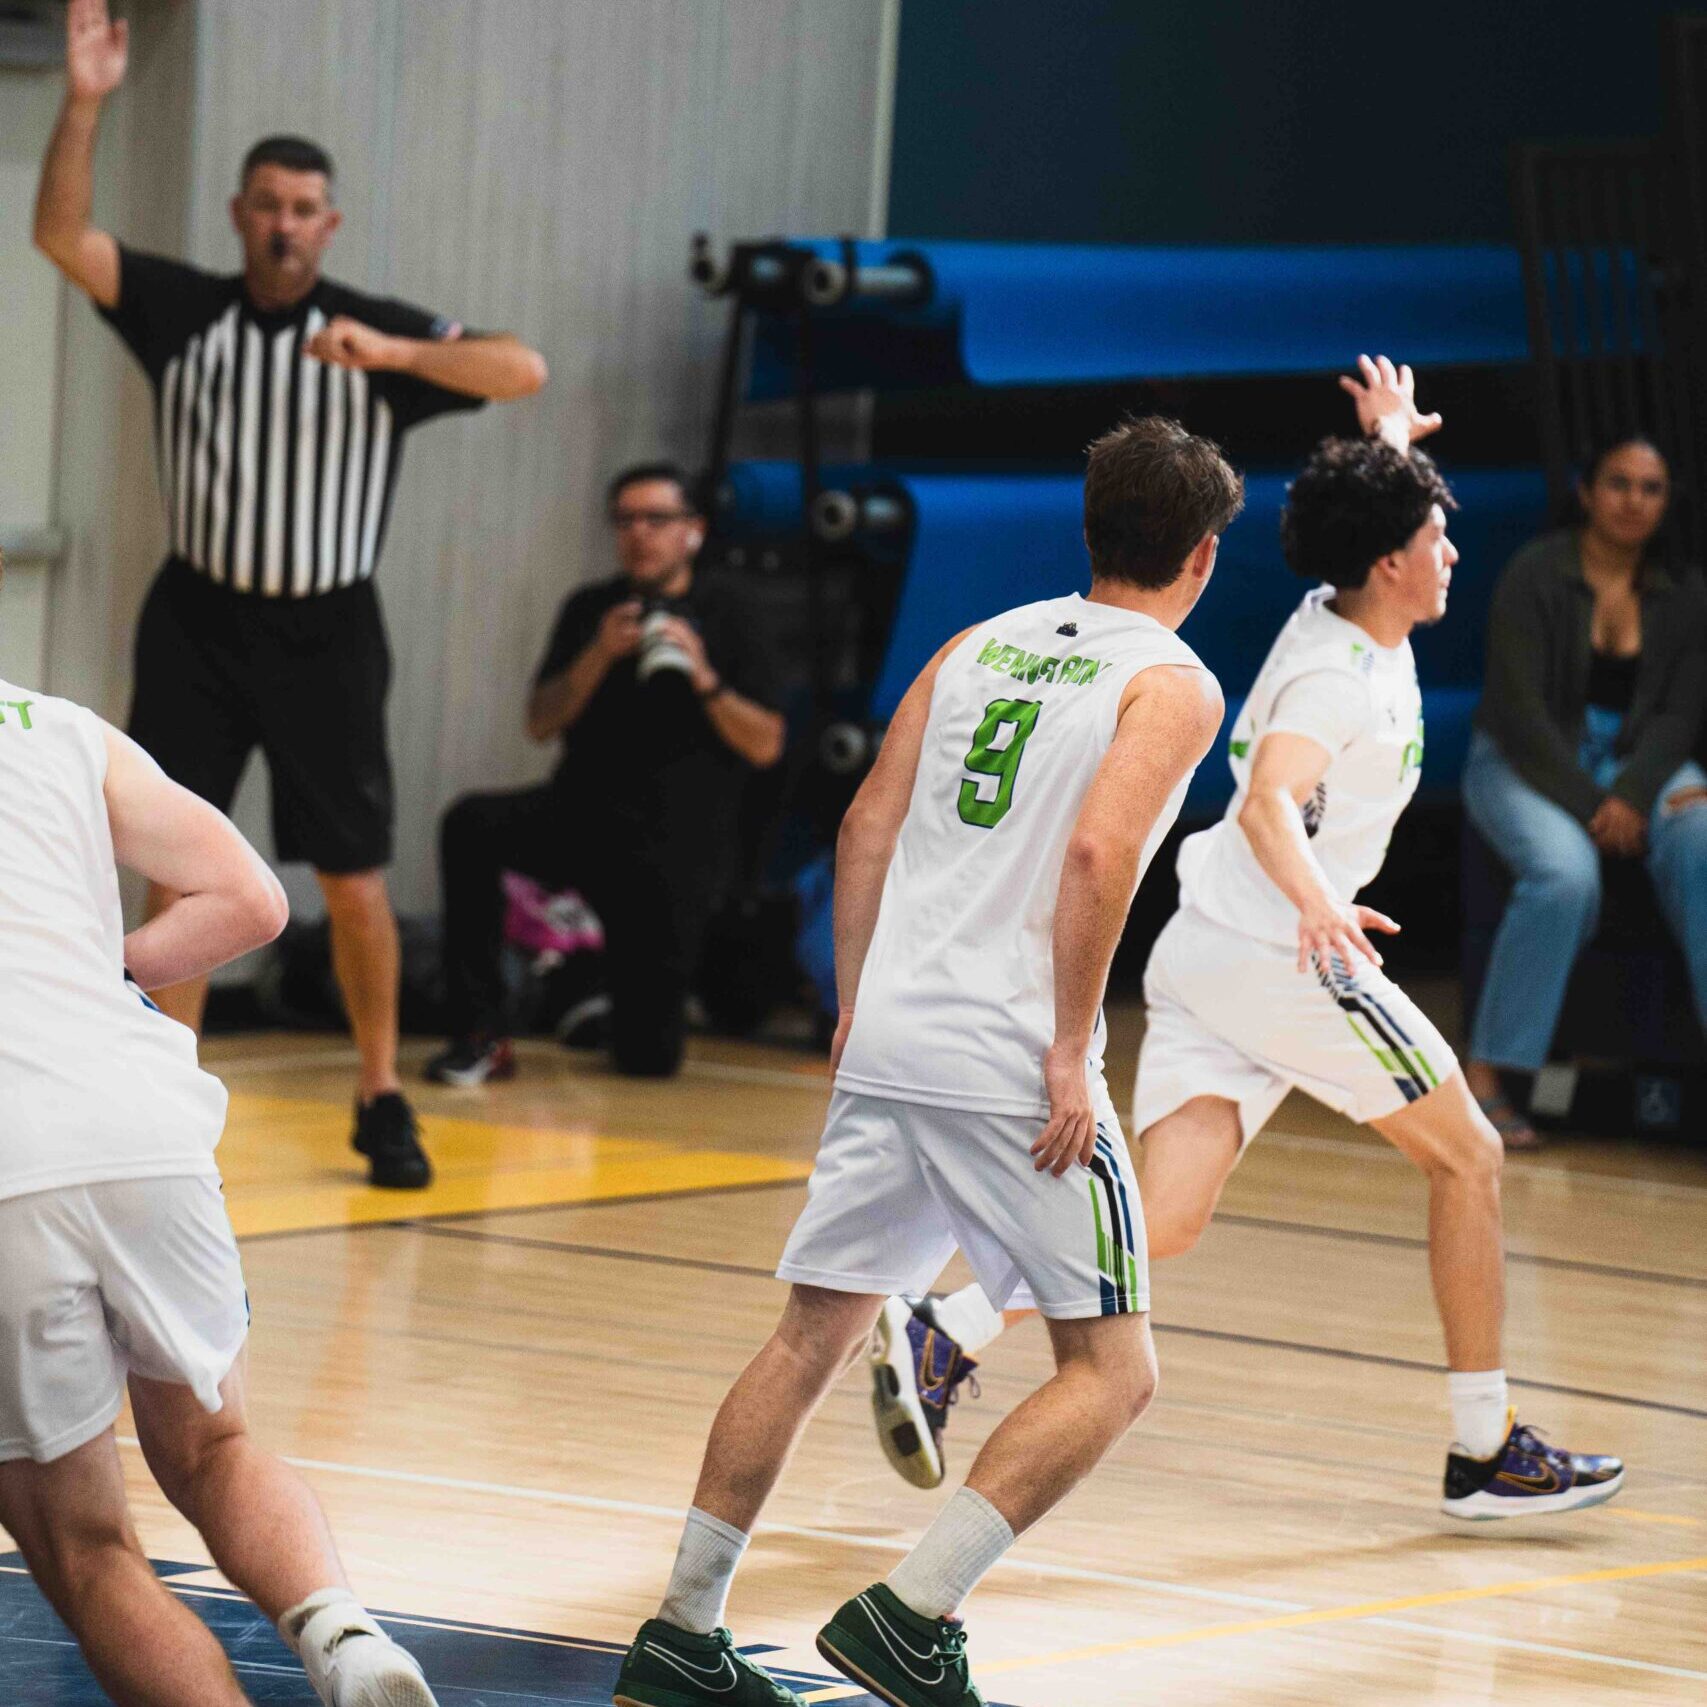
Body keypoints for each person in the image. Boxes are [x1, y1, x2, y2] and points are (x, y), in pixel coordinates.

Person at [865, 358, 1625, 1524]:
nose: (1452, 554)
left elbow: (1378, 519)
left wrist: (1389, 440)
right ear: (1391, 564)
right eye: (1436, 538)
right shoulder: (1336, 681)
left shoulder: (1345, 604)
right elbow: (1269, 800)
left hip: (1209, 949)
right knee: (1471, 1156)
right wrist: (1319, 905)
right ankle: (1485, 1449)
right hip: (1285, 955)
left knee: (1165, 1217)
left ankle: (946, 1329)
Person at [612, 416, 1239, 1707]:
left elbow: (864, 824)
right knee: (1112, 1370)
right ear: (1203, 553)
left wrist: (853, 1000)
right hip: (1009, 1057)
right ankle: (911, 1613)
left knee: (810, 1335)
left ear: (1088, 528)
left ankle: (681, 1631)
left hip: (894, 1032)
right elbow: (1096, 854)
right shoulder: (1171, 683)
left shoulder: (974, 643)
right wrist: (1066, 1047)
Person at [32, 0, 548, 1188]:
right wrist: (87, 100)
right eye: (266, 204)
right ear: (239, 214)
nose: (283, 223)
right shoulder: (185, 313)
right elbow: (60, 234)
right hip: (199, 621)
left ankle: (380, 1090)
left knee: (354, 876)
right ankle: (165, 1094)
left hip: (328, 631)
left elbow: (523, 367)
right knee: (180, 863)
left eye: (303, 208)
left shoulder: (379, 337)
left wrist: (399, 354)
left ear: (330, 223)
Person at [0, 554, 438, 1707]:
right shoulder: (59, 727)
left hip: (8, 1160)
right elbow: (255, 901)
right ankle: (347, 1639)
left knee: (86, 1548)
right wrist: (102, 974)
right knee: (217, 1448)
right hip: (144, 1117)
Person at [427, 463, 784, 1085]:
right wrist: (598, 654)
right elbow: (539, 722)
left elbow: (767, 745)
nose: (639, 534)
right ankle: (482, 1032)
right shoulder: (592, 608)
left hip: (673, 848)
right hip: (581, 816)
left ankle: (594, 987)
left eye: (657, 519)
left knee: (647, 1060)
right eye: (626, 520)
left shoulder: (732, 610)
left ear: (694, 530)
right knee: (472, 823)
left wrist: (704, 678)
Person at [1462, 436, 1707, 1150]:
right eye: (1618, 483)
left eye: (1650, 488)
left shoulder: (1685, 591)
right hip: (1525, 759)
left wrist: (1631, 792)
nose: (1634, 500)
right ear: (1586, 492)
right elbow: (1517, 713)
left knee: (1701, 838)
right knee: (1564, 875)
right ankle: (1487, 1070)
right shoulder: (1534, 572)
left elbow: (1679, 717)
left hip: (1637, 764)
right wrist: (1597, 806)